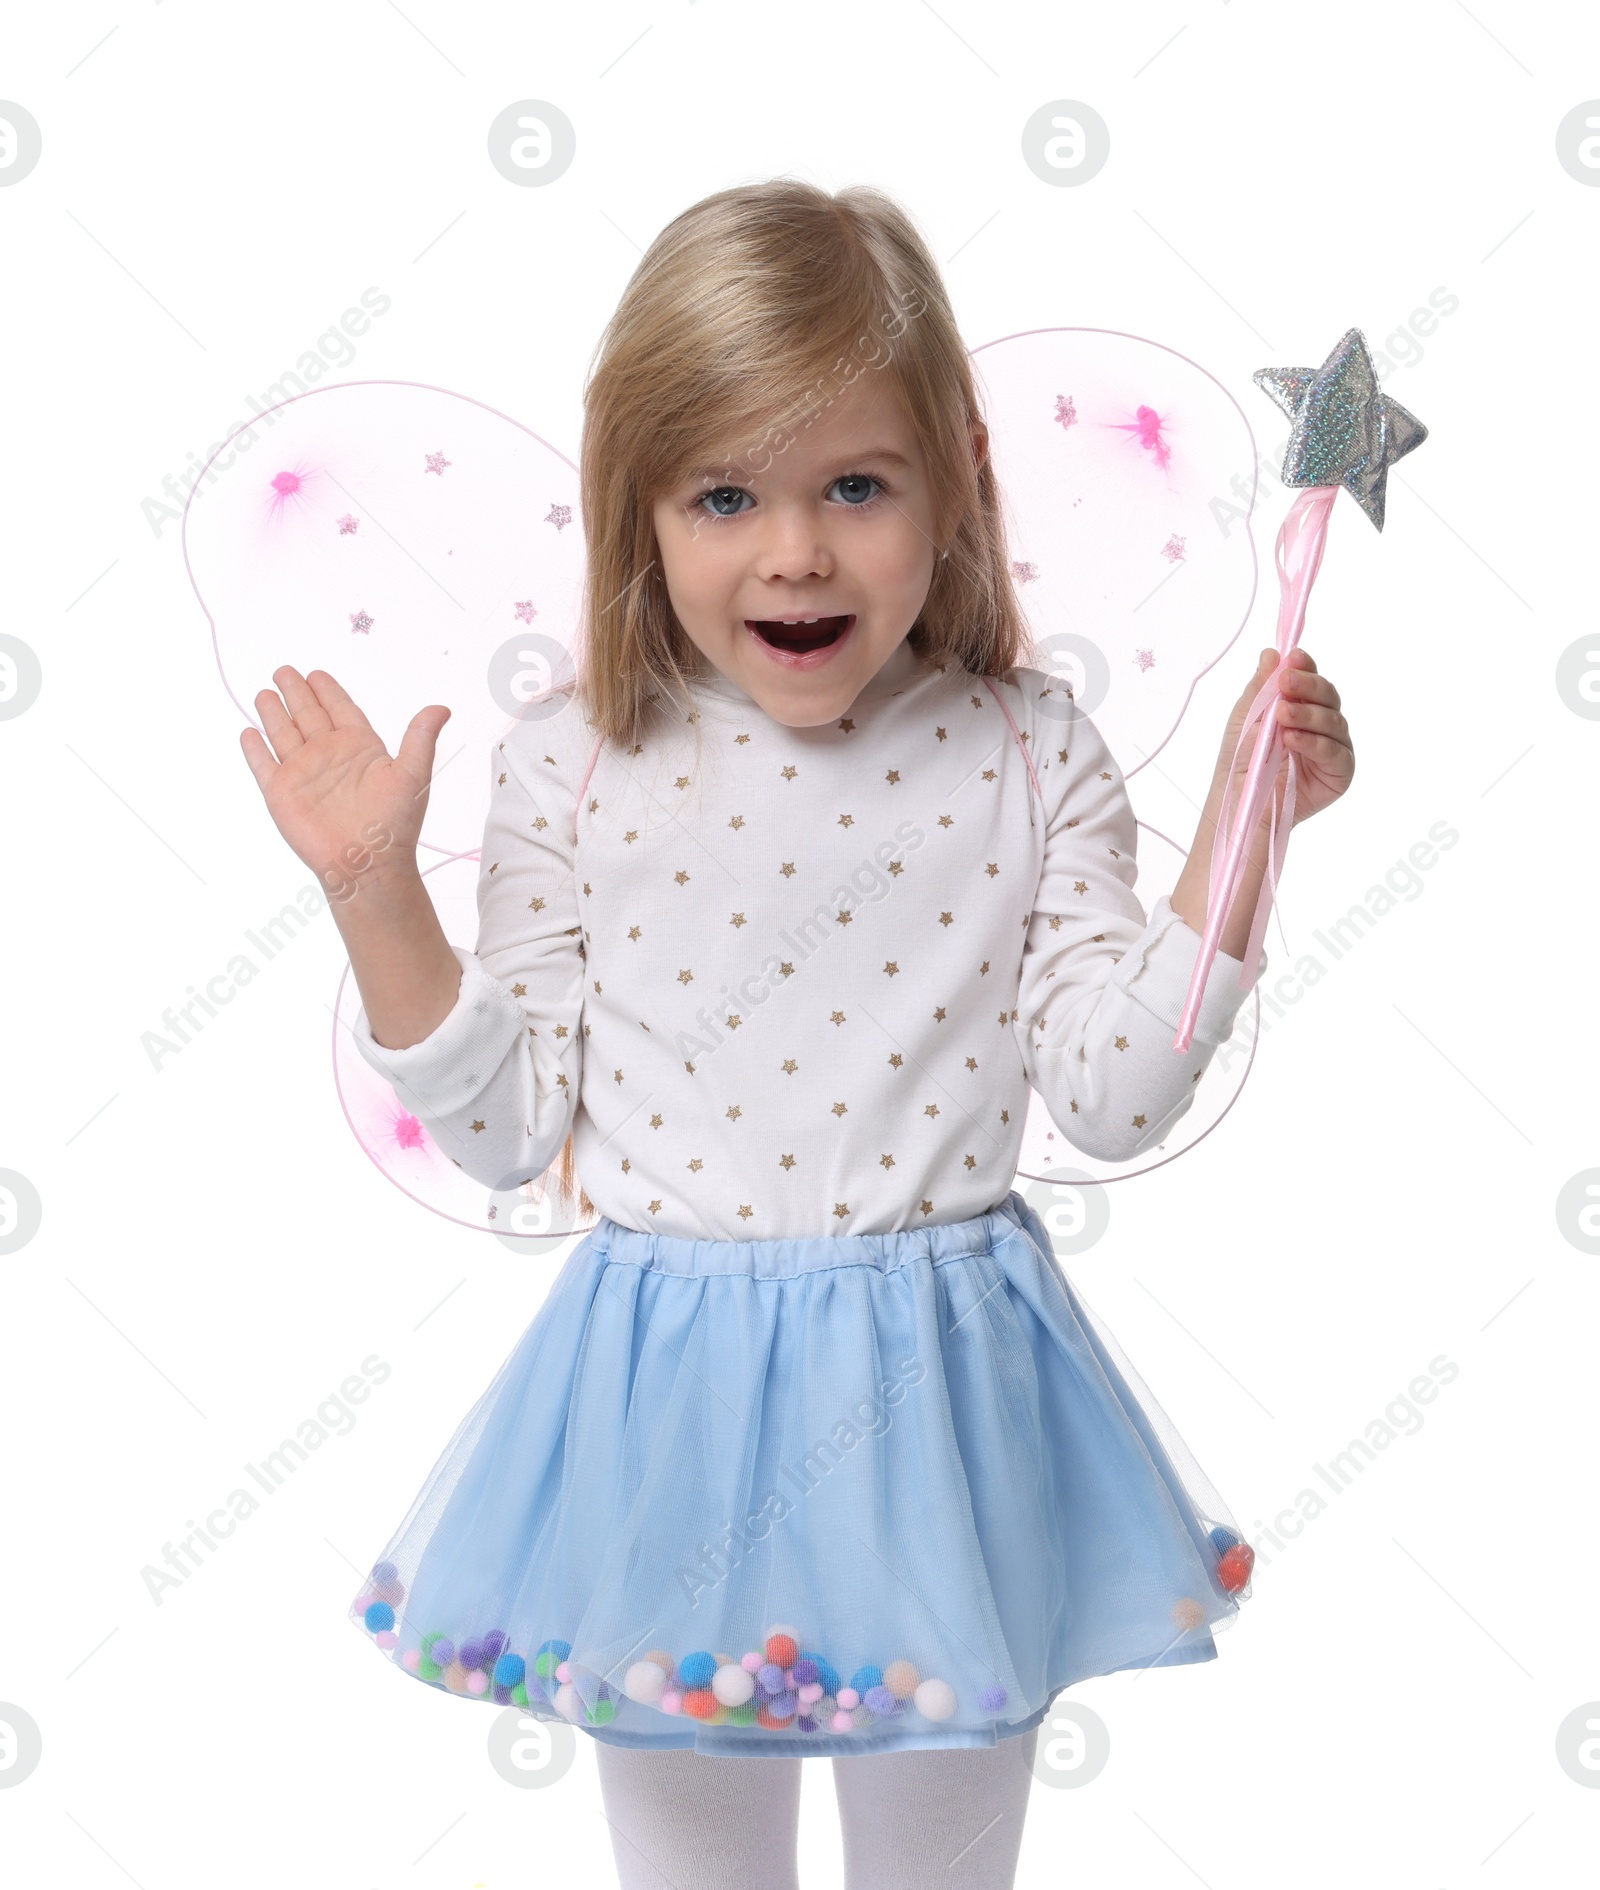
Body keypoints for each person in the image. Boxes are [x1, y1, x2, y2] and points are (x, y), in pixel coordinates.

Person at [240, 179, 1352, 1890]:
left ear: (949, 490)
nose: (797, 551)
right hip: (660, 1410)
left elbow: (1118, 1097)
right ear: (641, 512)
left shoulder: (1026, 750)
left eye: (856, 484)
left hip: (948, 1404)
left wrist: (1245, 825)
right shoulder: (575, 763)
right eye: (724, 493)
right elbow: (501, 1122)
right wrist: (378, 893)